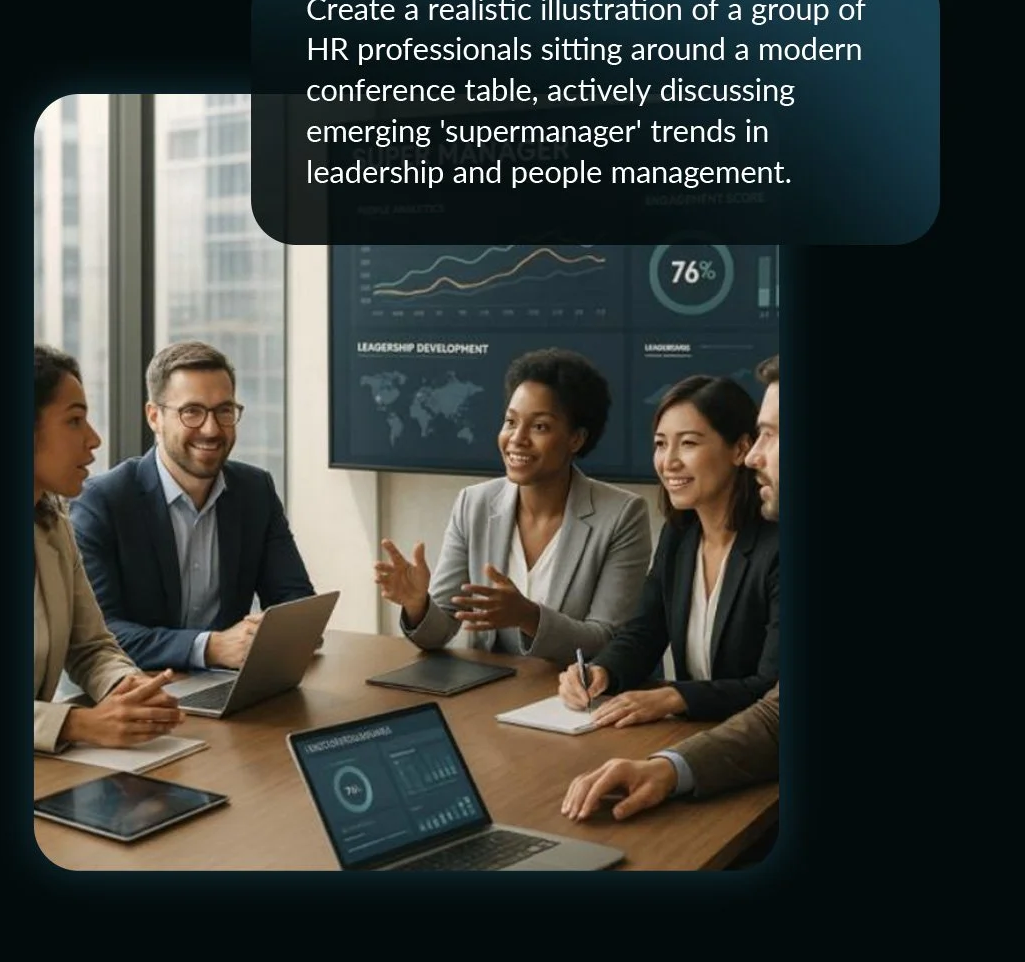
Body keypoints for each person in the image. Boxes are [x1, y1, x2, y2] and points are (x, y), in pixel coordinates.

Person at [561, 354, 780, 821]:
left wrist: (676, 696)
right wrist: (602, 671)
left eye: (689, 443)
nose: (669, 461)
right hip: (696, 745)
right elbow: (643, 630)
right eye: (661, 444)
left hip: (750, 769)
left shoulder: (777, 545)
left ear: (738, 449)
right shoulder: (680, 535)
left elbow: (771, 690)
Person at [374, 348, 652, 665]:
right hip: (490, 692)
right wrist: (417, 604)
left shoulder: (622, 515)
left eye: (540, 427)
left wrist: (529, 617)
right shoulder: (473, 504)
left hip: (574, 698)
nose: (516, 439)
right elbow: (440, 630)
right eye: (510, 421)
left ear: (576, 438)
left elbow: (607, 641)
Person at [70, 340, 315, 671]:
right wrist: (210, 647)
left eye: (224, 410)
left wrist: (270, 634)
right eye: (192, 412)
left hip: (227, 686)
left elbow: (294, 601)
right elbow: (100, 633)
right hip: (136, 691)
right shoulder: (103, 501)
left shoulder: (255, 490)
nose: (212, 429)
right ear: (154, 416)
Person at [34, 344, 184, 754]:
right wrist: (77, 723)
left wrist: (130, 688)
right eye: (74, 421)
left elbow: (91, 646)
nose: (94, 439)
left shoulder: (53, 524)